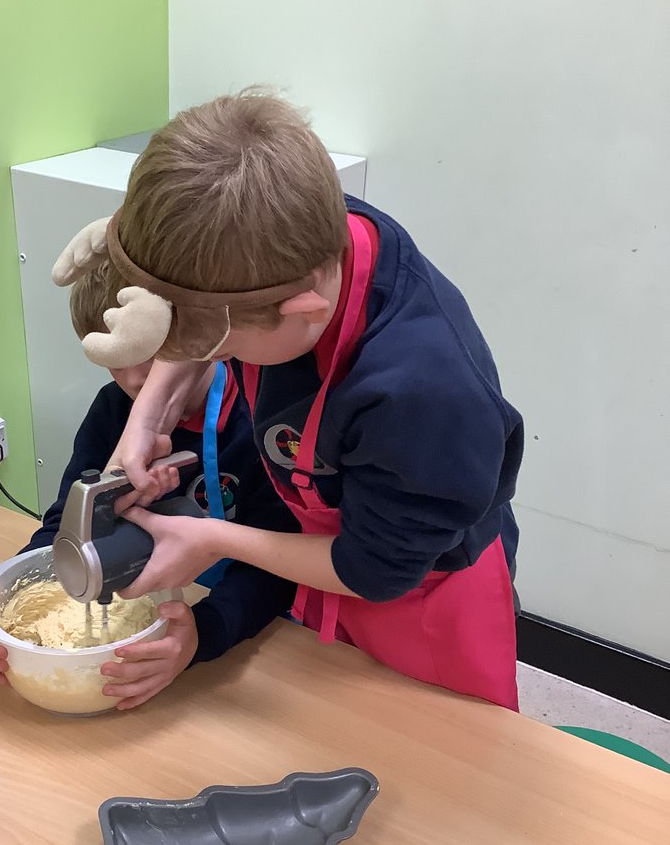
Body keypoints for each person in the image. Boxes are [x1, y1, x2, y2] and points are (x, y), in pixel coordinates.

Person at [64, 90, 524, 709]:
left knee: (430, 760)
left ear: (301, 309)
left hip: (421, 590)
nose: (200, 351)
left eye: (215, 339)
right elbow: (206, 310)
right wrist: (149, 416)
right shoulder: (293, 227)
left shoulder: (423, 396)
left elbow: (372, 571)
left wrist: (214, 541)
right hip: (316, 551)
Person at [0, 263, 296, 710]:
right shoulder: (113, 412)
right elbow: (67, 522)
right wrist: (5, 596)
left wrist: (203, 634)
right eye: (115, 364)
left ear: (198, 337)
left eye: (152, 356)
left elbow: (278, 564)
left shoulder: (262, 419)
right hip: (165, 606)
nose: (135, 381)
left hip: (261, 628)